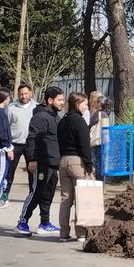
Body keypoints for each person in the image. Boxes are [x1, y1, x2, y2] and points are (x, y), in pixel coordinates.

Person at [16, 86, 64, 236]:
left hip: (53, 162)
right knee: (36, 192)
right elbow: (32, 139)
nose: (62, 102)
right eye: (60, 100)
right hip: (41, 162)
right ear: (50, 100)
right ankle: (22, 221)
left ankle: (45, 222)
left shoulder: (55, 116)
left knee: (48, 193)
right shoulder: (41, 117)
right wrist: (32, 159)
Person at [57, 92, 94, 243]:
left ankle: (64, 233)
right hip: (77, 162)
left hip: (63, 161)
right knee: (81, 197)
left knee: (66, 199)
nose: (87, 106)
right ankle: (81, 233)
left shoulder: (62, 121)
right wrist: (89, 164)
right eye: (85, 103)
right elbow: (84, 145)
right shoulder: (79, 122)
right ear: (77, 104)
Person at [5, 84, 36, 202]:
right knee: (9, 171)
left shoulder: (37, 107)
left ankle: (33, 194)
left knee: (32, 171)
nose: (23, 96)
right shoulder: (11, 108)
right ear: (18, 94)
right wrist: (8, 146)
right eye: (21, 94)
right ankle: (5, 193)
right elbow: (6, 127)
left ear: (31, 93)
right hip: (15, 144)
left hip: (31, 144)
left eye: (26, 93)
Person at [87, 89, 109, 180]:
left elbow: (89, 125)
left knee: (98, 165)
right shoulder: (106, 113)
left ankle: (99, 185)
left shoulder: (98, 114)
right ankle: (102, 184)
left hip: (97, 141)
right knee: (101, 164)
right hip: (104, 141)